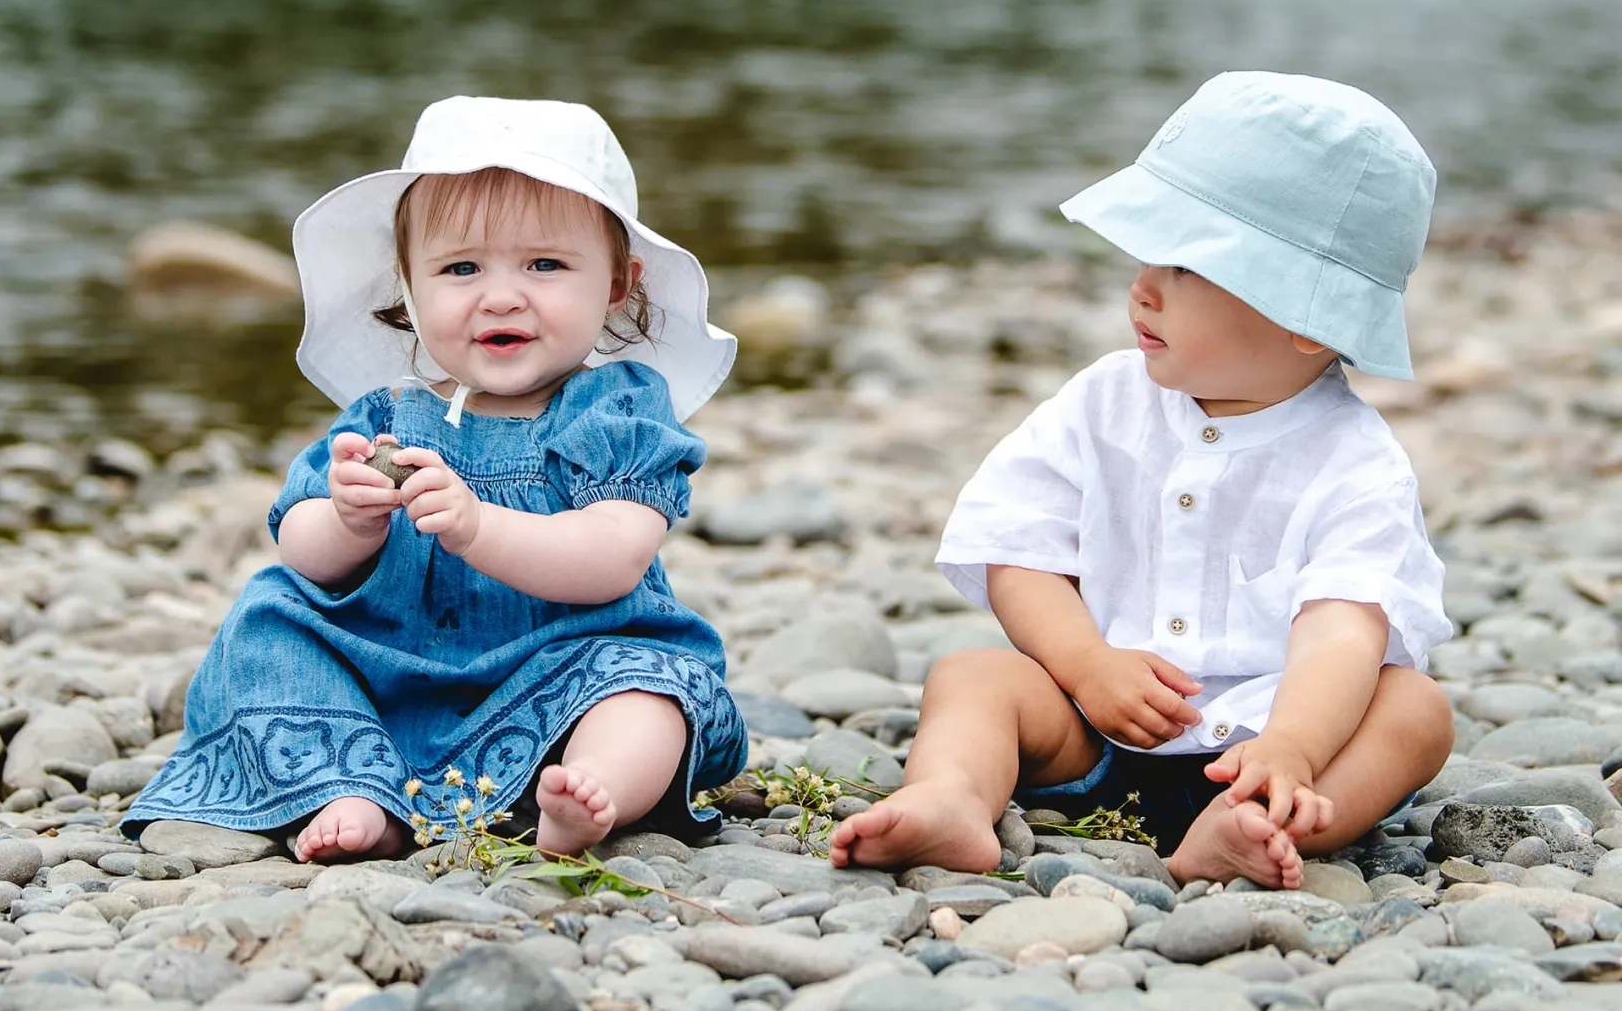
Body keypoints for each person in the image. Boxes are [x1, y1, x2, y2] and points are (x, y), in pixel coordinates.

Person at [830, 71, 1455, 889]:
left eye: (1186, 268)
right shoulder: (1105, 402)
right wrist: (1087, 662)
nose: (1143, 286)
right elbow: (1018, 547)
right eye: (1148, 254)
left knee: (1414, 710)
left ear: (1309, 318)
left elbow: (1343, 629)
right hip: (1095, 726)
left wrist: (1292, 746)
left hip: (1269, 738)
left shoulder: (1352, 461)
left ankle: (1252, 824)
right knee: (974, 675)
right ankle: (951, 796)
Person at [127, 96, 745, 863]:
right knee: (271, 616)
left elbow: (614, 556)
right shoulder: (385, 416)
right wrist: (349, 522)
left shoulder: (616, 410)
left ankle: (587, 792)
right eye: (460, 268)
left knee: (650, 688)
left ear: (619, 283)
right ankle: (353, 789)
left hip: (560, 671)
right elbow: (302, 553)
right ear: (410, 288)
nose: (501, 295)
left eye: (545, 264)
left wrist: (478, 527)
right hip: (390, 679)